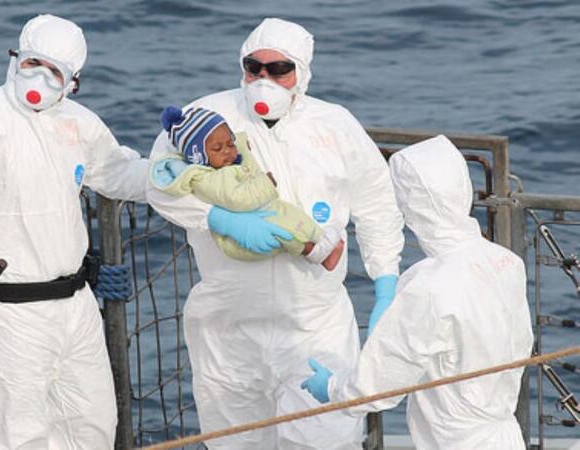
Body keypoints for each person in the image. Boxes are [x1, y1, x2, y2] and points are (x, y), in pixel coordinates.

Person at [146, 17, 404, 449]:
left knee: (323, 439)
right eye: (254, 67)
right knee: (236, 441)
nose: (264, 78)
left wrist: (386, 283)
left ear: (301, 72)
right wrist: (217, 219)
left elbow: (378, 205)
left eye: (279, 68)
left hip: (313, 323)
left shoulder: (335, 126)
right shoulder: (206, 119)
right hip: (229, 325)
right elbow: (159, 183)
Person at [0, 14, 147, 450]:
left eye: (54, 71)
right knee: (11, 434)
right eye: (33, 63)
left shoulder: (79, 122)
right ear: (15, 59)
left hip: (76, 306)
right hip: (11, 310)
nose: (40, 77)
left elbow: (117, 172)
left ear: (72, 82)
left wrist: (172, 176)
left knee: (91, 423)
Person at [301, 135, 534, 449]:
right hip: (504, 432)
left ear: (412, 206)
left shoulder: (428, 285)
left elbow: (380, 383)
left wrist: (331, 387)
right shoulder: (505, 261)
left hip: (453, 439)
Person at [151, 105, 344, 269]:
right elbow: (238, 199)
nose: (227, 151)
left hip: (259, 212)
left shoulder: (227, 164)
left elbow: (248, 168)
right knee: (284, 230)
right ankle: (315, 253)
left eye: (230, 143)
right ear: (198, 156)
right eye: (217, 149)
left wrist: (241, 145)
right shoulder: (206, 179)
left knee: (291, 214)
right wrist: (265, 184)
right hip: (241, 238)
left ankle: (322, 241)